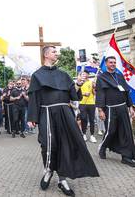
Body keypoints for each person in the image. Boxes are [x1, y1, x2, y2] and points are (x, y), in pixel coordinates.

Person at [28, 46, 99, 196]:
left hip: (65, 113)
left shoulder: (63, 74)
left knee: (65, 144)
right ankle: (48, 171)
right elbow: (34, 98)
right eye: (54, 52)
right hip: (47, 112)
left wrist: (78, 84)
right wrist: (32, 118)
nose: (57, 54)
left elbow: (74, 96)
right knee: (48, 144)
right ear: (46, 55)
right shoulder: (37, 75)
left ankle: (62, 179)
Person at [96, 56, 135, 167]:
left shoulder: (120, 76)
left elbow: (126, 92)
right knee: (111, 131)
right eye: (111, 62)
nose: (113, 64)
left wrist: (130, 107)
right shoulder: (101, 77)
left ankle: (126, 157)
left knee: (125, 131)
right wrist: (100, 110)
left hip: (123, 108)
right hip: (110, 109)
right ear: (106, 64)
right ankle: (103, 147)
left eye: (114, 62)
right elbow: (100, 93)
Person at [79, 71, 97, 143]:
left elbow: (95, 93)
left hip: (91, 103)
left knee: (92, 120)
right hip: (82, 103)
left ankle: (92, 135)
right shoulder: (79, 83)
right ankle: (84, 134)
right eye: (82, 74)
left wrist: (94, 87)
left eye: (85, 74)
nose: (84, 75)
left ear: (88, 75)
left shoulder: (91, 82)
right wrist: (84, 94)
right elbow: (76, 92)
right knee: (83, 119)